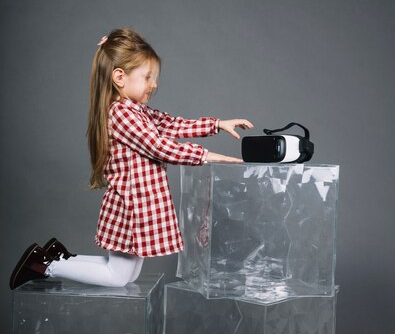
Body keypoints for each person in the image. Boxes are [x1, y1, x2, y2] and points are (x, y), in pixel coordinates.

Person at [10, 28, 253, 289]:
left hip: (142, 203)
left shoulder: (136, 111)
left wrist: (217, 125)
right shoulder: (121, 114)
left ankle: (58, 256)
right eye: (148, 76)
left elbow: (171, 125)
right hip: (131, 205)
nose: (154, 83)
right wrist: (206, 156)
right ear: (119, 77)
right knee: (118, 277)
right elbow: (158, 147)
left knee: (127, 275)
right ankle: (45, 265)